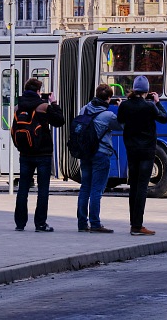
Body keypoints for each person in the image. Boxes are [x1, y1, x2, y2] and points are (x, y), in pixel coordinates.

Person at [116, 74, 167, 236]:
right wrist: (158, 103)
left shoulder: (125, 105)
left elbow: (120, 120)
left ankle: (134, 224)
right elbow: (164, 119)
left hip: (131, 150)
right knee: (142, 188)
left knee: (134, 187)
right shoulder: (149, 106)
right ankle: (138, 226)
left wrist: (121, 107)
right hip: (146, 151)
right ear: (146, 91)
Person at [14, 77, 65, 231]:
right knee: (43, 190)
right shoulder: (43, 106)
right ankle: (40, 224)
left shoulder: (18, 107)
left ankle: (20, 223)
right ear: (38, 91)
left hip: (25, 153)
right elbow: (59, 121)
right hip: (43, 153)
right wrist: (54, 103)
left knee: (23, 188)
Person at [76, 83, 122, 233]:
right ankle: (95, 223)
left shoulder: (85, 109)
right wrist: (120, 108)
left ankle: (82, 223)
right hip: (101, 154)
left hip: (85, 153)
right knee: (97, 190)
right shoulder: (108, 115)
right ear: (109, 98)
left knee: (85, 188)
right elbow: (121, 126)